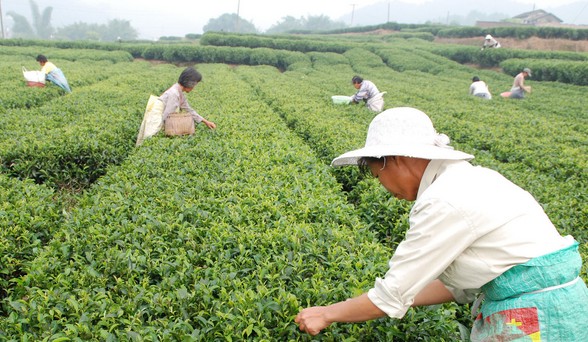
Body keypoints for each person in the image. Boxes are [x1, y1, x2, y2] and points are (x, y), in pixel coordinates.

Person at [295, 107, 588, 340]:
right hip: (563, 307)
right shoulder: (473, 178)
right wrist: (395, 295)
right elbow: (455, 288)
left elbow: (390, 296)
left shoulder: (443, 199)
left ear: (395, 160)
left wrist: (327, 313)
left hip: (536, 318)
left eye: (376, 175)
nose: (383, 186)